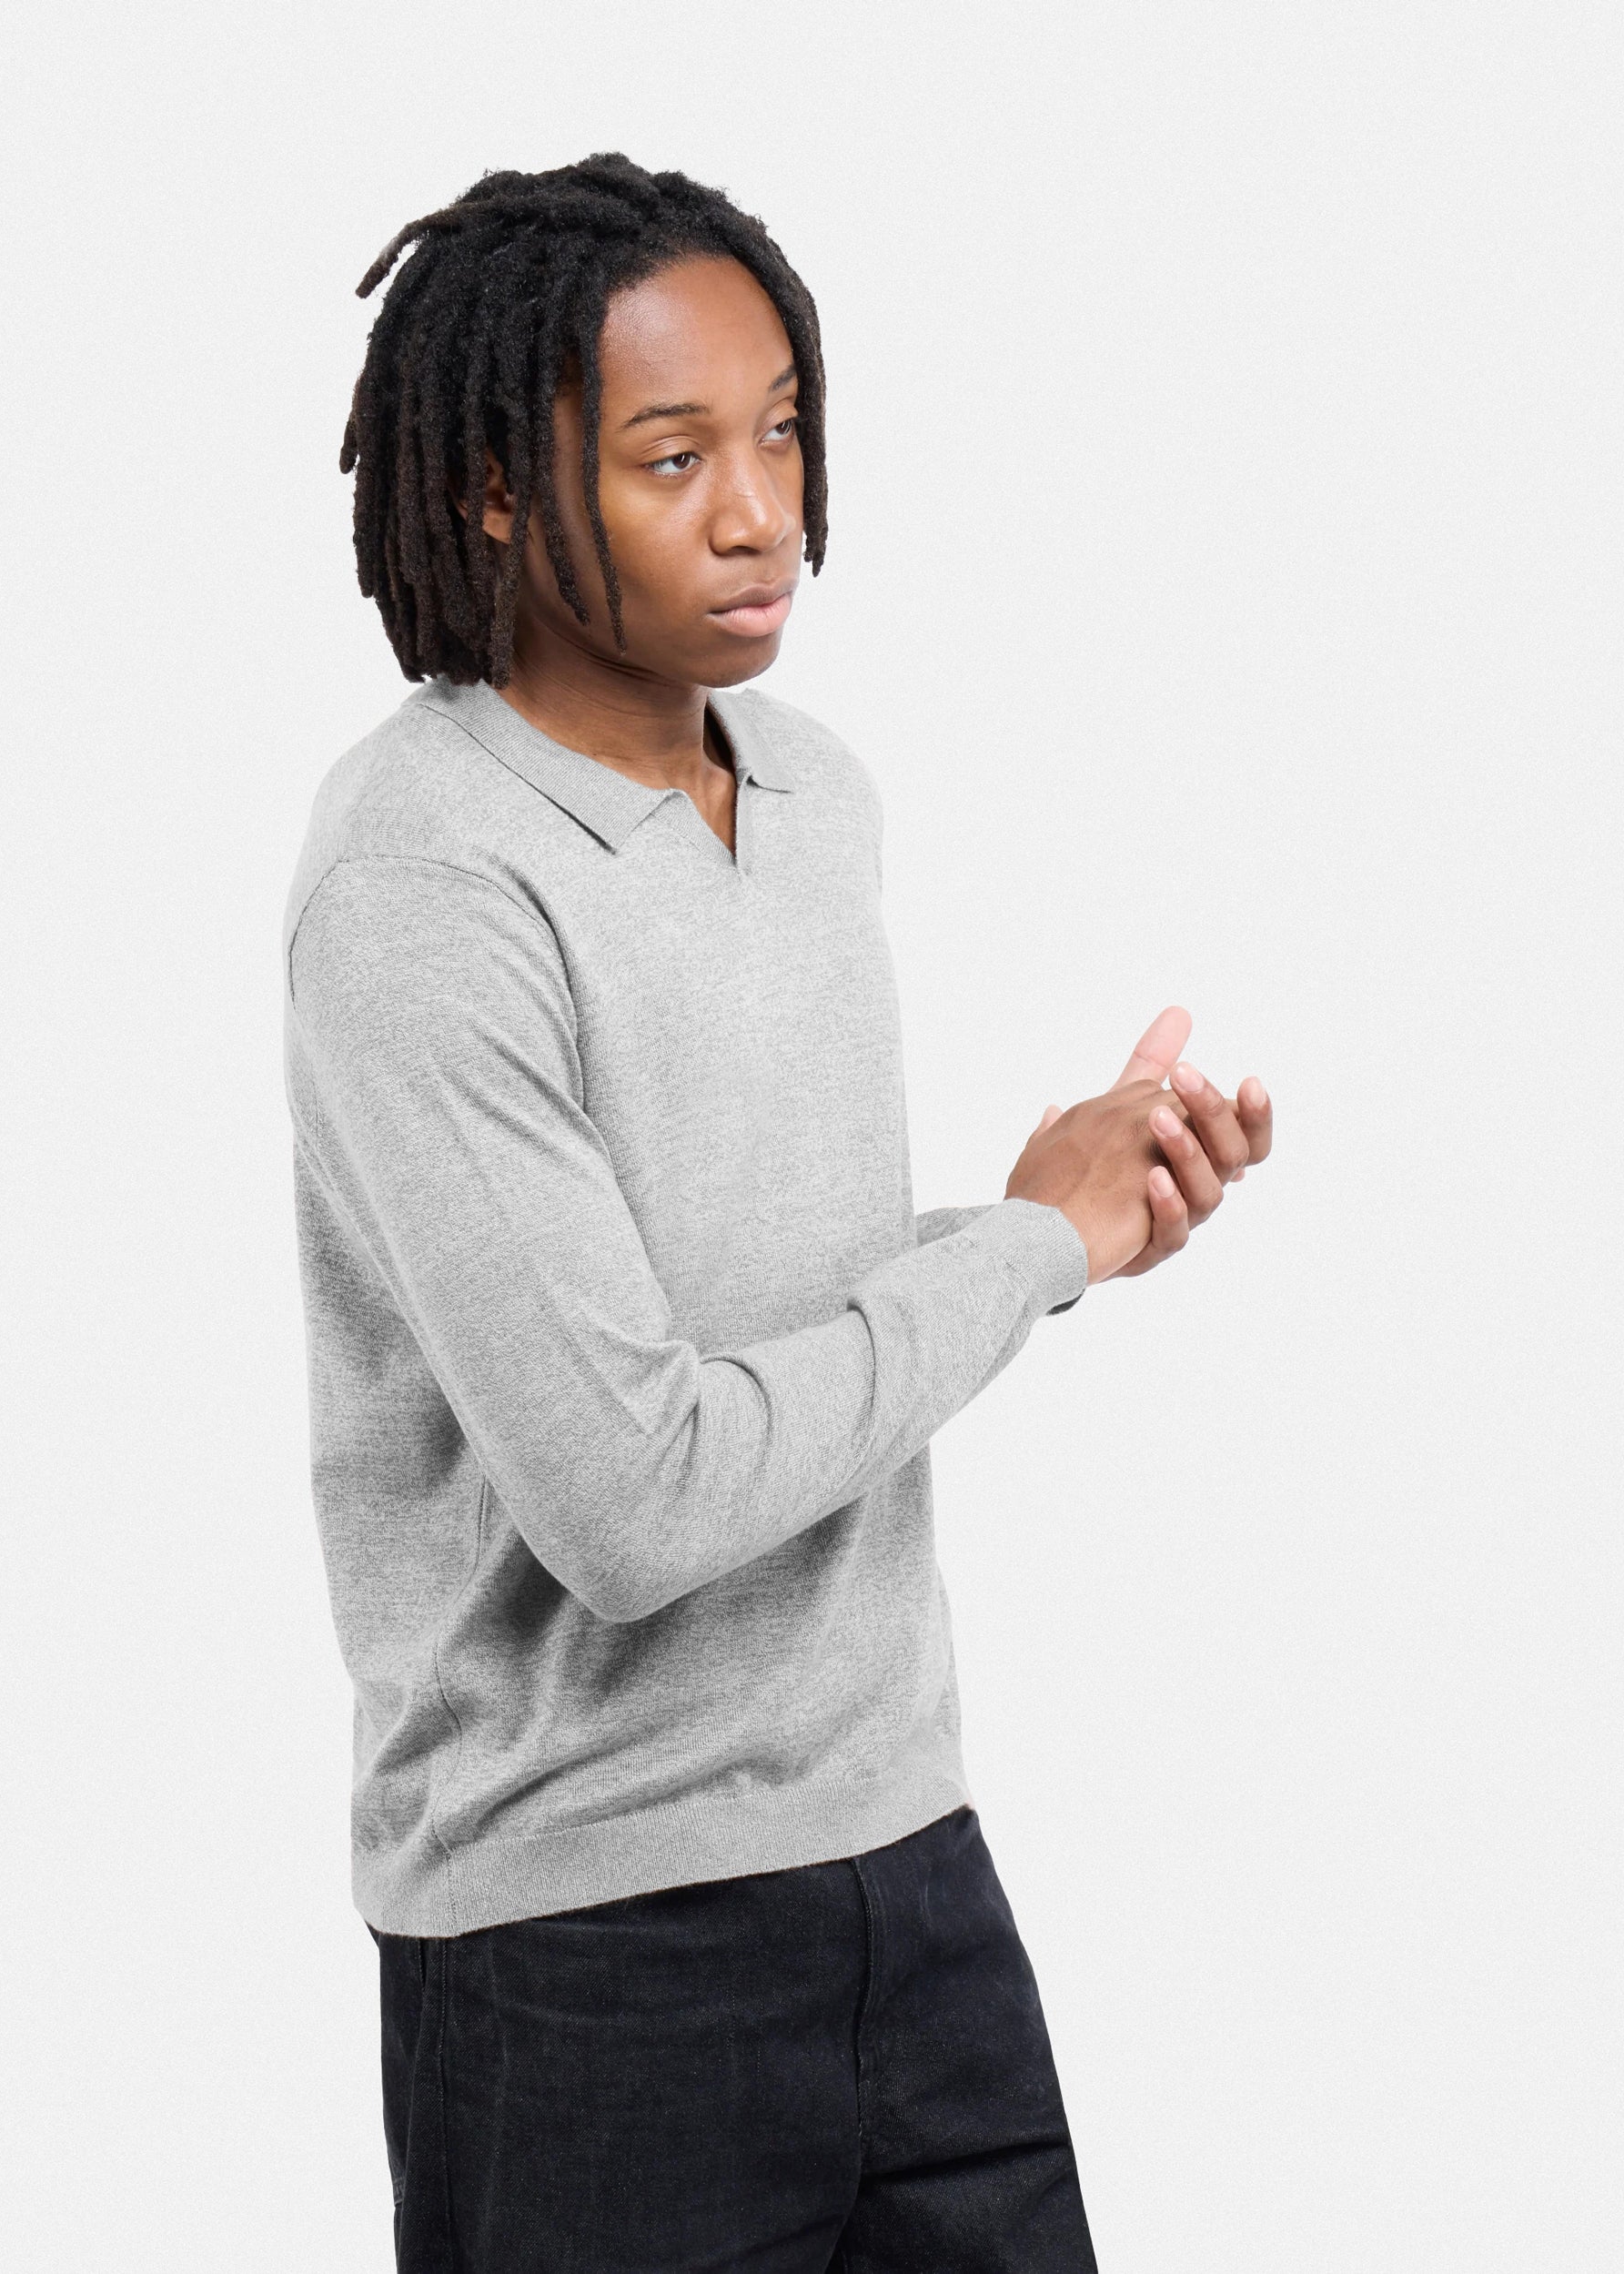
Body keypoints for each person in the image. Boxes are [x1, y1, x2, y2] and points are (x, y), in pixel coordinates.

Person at [282, 152, 1272, 2273]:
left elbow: (756, 1304)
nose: (757, 513)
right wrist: (1023, 1250)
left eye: (782, 432)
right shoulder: (421, 881)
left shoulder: (815, 791)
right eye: (672, 457)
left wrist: (1073, 1205)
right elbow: (632, 1492)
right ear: (490, 488)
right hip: (579, 1946)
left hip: (911, 1870)